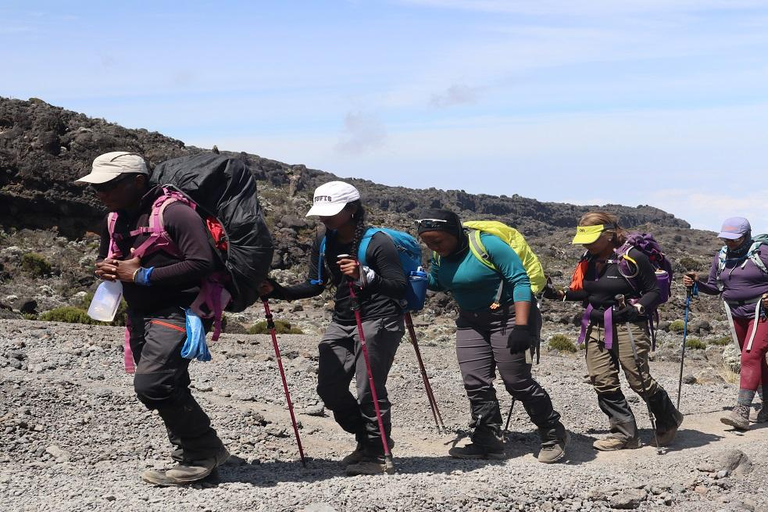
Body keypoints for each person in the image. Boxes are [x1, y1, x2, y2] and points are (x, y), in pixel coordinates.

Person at [76, 151, 229, 486]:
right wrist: (106, 268)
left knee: (153, 385)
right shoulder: (114, 218)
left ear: (138, 181)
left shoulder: (174, 213)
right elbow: (107, 257)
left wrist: (142, 276)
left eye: (109, 185)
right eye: (96, 187)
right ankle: (193, 458)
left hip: (179, 311)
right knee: (168, 384)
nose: (101, 193)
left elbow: (203, 262)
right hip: (141, 314)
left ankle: (205, 450)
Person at [259, 181, 407, 476]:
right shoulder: (324, 239)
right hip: (343, 319)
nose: (324, 218)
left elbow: (398, 286)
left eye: (332, 211)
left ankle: (378, 454)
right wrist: (277, 290)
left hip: (380, 318)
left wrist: (365, 275)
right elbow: (315, 285)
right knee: (330, 388)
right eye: (322, 212)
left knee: (369, 391)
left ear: (352, 209)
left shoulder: (377, 242)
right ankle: (366, 440)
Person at [416, 209, 568, 463]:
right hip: (470, 320)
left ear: (454, 232)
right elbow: (442, 282)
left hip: (508, 316)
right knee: (475, 381)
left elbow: (519, 281)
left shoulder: (488, 245)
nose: (433, 246)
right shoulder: (439, 255)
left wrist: (521, 327)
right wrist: (420, 279)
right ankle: (487, 440)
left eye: (438, 241)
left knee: (516, 380)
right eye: (428, 242)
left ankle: (553, 432)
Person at [543, 211, 683, 450]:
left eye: (592, 238)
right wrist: (560, 294)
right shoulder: (588, 258)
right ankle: (624, 434)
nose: (587, 243)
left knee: (639, 380)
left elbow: (654, 292)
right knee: (602, 381)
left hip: (628, 326)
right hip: (595, 325)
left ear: (608, 235)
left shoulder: (632, 257)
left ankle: (669, 419)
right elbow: (590, 292)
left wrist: (637, 308)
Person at [683, 217, 768, 429]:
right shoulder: (721, 257)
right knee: (753, 358)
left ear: (746, 236)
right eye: (726, 239)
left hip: (762, 310)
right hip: (735, 312)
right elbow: (714, 287)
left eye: (735, 240)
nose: (729, 243)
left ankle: (741, 411)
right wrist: (697, 284)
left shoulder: (763, 253)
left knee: (750, 355)